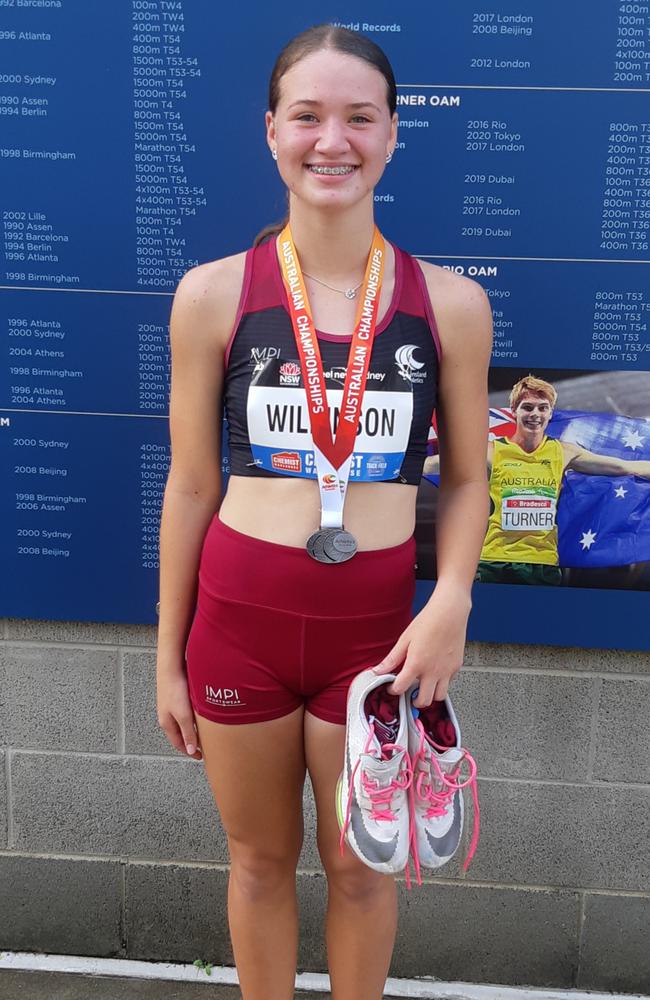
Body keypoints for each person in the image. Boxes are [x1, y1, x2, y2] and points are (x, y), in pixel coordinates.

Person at [156, 25, 492, 1000]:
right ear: (270, 131)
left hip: (377, 639)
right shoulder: (212, 296)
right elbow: (188, 485)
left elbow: (467, 478)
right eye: (306, 115)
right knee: (257, 862)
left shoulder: (451, 306)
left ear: (391, 135)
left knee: (358, 868)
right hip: (238, 625)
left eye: (358, 117)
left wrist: (452, 599)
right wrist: (165, 656)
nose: (330, 140)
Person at [427, 374, 650, 585]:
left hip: (542, 564)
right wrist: (396, 468)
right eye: (528, 407)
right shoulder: (491, 451)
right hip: (495, 562)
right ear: (514, 411)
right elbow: (438, 462)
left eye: (543, 408)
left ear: (551, 413)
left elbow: (622, 466)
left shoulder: (563, 452)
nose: (535, 414)